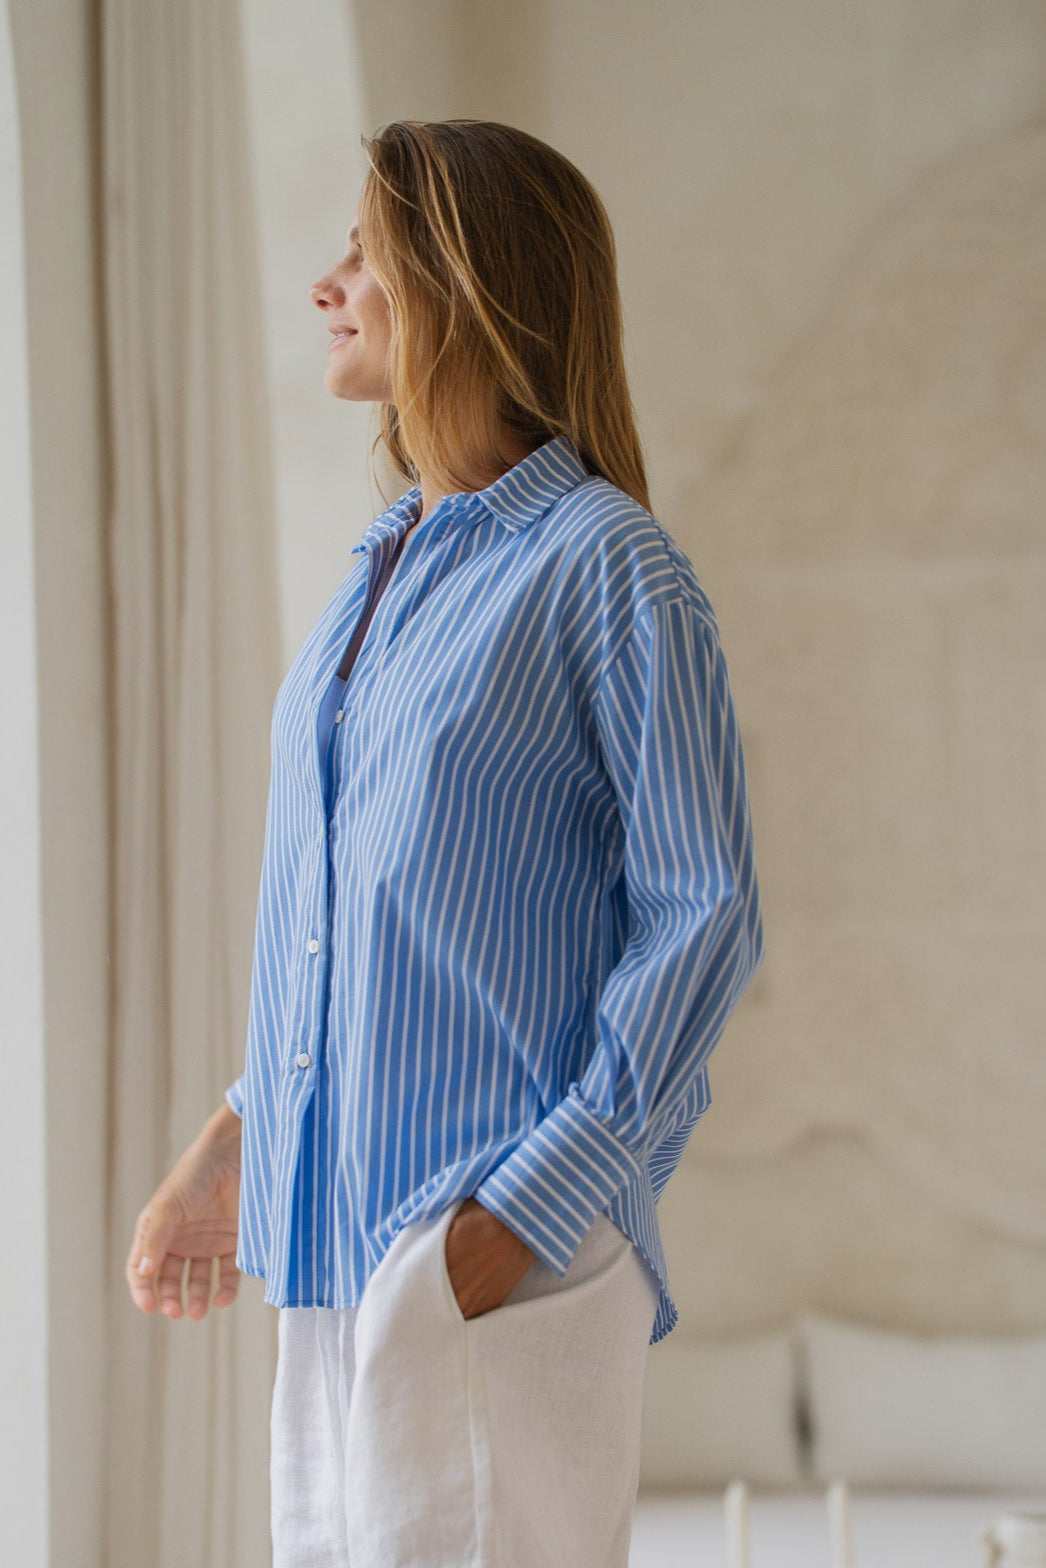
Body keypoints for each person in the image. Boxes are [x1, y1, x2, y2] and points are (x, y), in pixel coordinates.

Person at [126, 118, 764, 1568]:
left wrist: (515, 1221)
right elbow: (358, 923)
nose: (328, 281)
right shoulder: (377, 570)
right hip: (338, 1260)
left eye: (366, 248)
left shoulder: (606, 565)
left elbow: (704, 913)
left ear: (463, 280)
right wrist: (229, 1147)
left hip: (485, 1251)